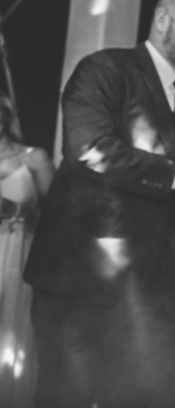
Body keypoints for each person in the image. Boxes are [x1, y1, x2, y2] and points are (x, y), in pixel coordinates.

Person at [24, 0, 175, 408]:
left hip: (143, 291)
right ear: (162, 19)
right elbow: (88, 149)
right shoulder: (105, 68)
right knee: (66, 396)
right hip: (81, 278)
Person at [0, 92, 54, 408]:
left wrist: (16, 209)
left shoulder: (34, 158)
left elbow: (58, 218)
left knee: (12, 338)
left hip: (18, 253)